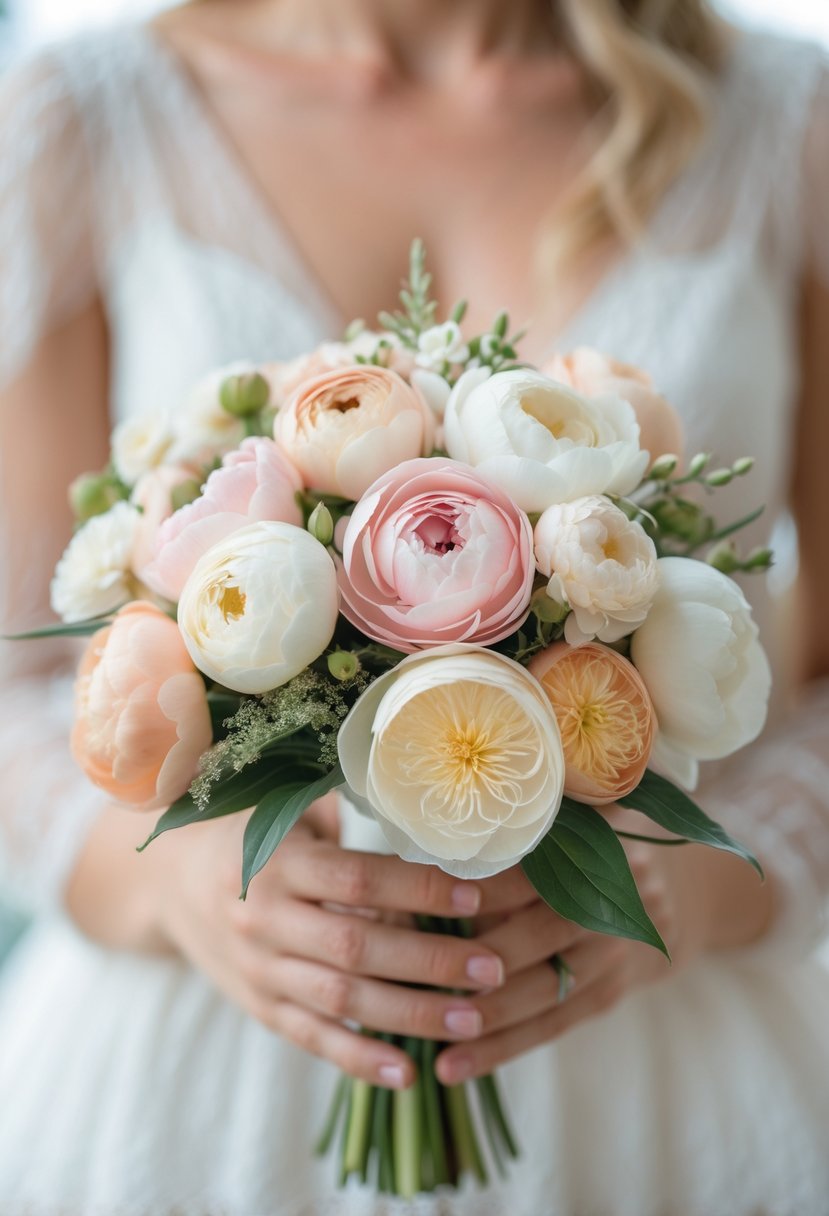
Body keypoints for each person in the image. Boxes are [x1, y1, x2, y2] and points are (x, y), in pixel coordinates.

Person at [0, 1, 827, 1212]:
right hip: (203, 1068)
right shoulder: (87, 117)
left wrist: (697, 891)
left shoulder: (788, 122)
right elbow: (20, 676)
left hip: (656, 1057)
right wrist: (171, 885)